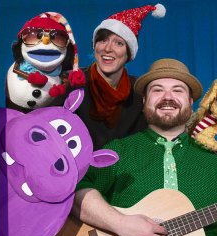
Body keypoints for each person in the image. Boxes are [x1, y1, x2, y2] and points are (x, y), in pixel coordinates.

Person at [72, 58, 217, 236]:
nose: (167, 97)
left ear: (190, 102)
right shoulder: (118, 151)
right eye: (157, 90)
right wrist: (121, 224)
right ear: (144, 101)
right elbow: (76, 190)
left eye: (177, 90)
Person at [69, 3, 166, 150]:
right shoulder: (73, 82)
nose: (108, 48)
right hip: (79, 170)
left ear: (129, 54)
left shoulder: (140, 92)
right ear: (95, 47)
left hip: (128, 169)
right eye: (102, 40)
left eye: (118, 43)